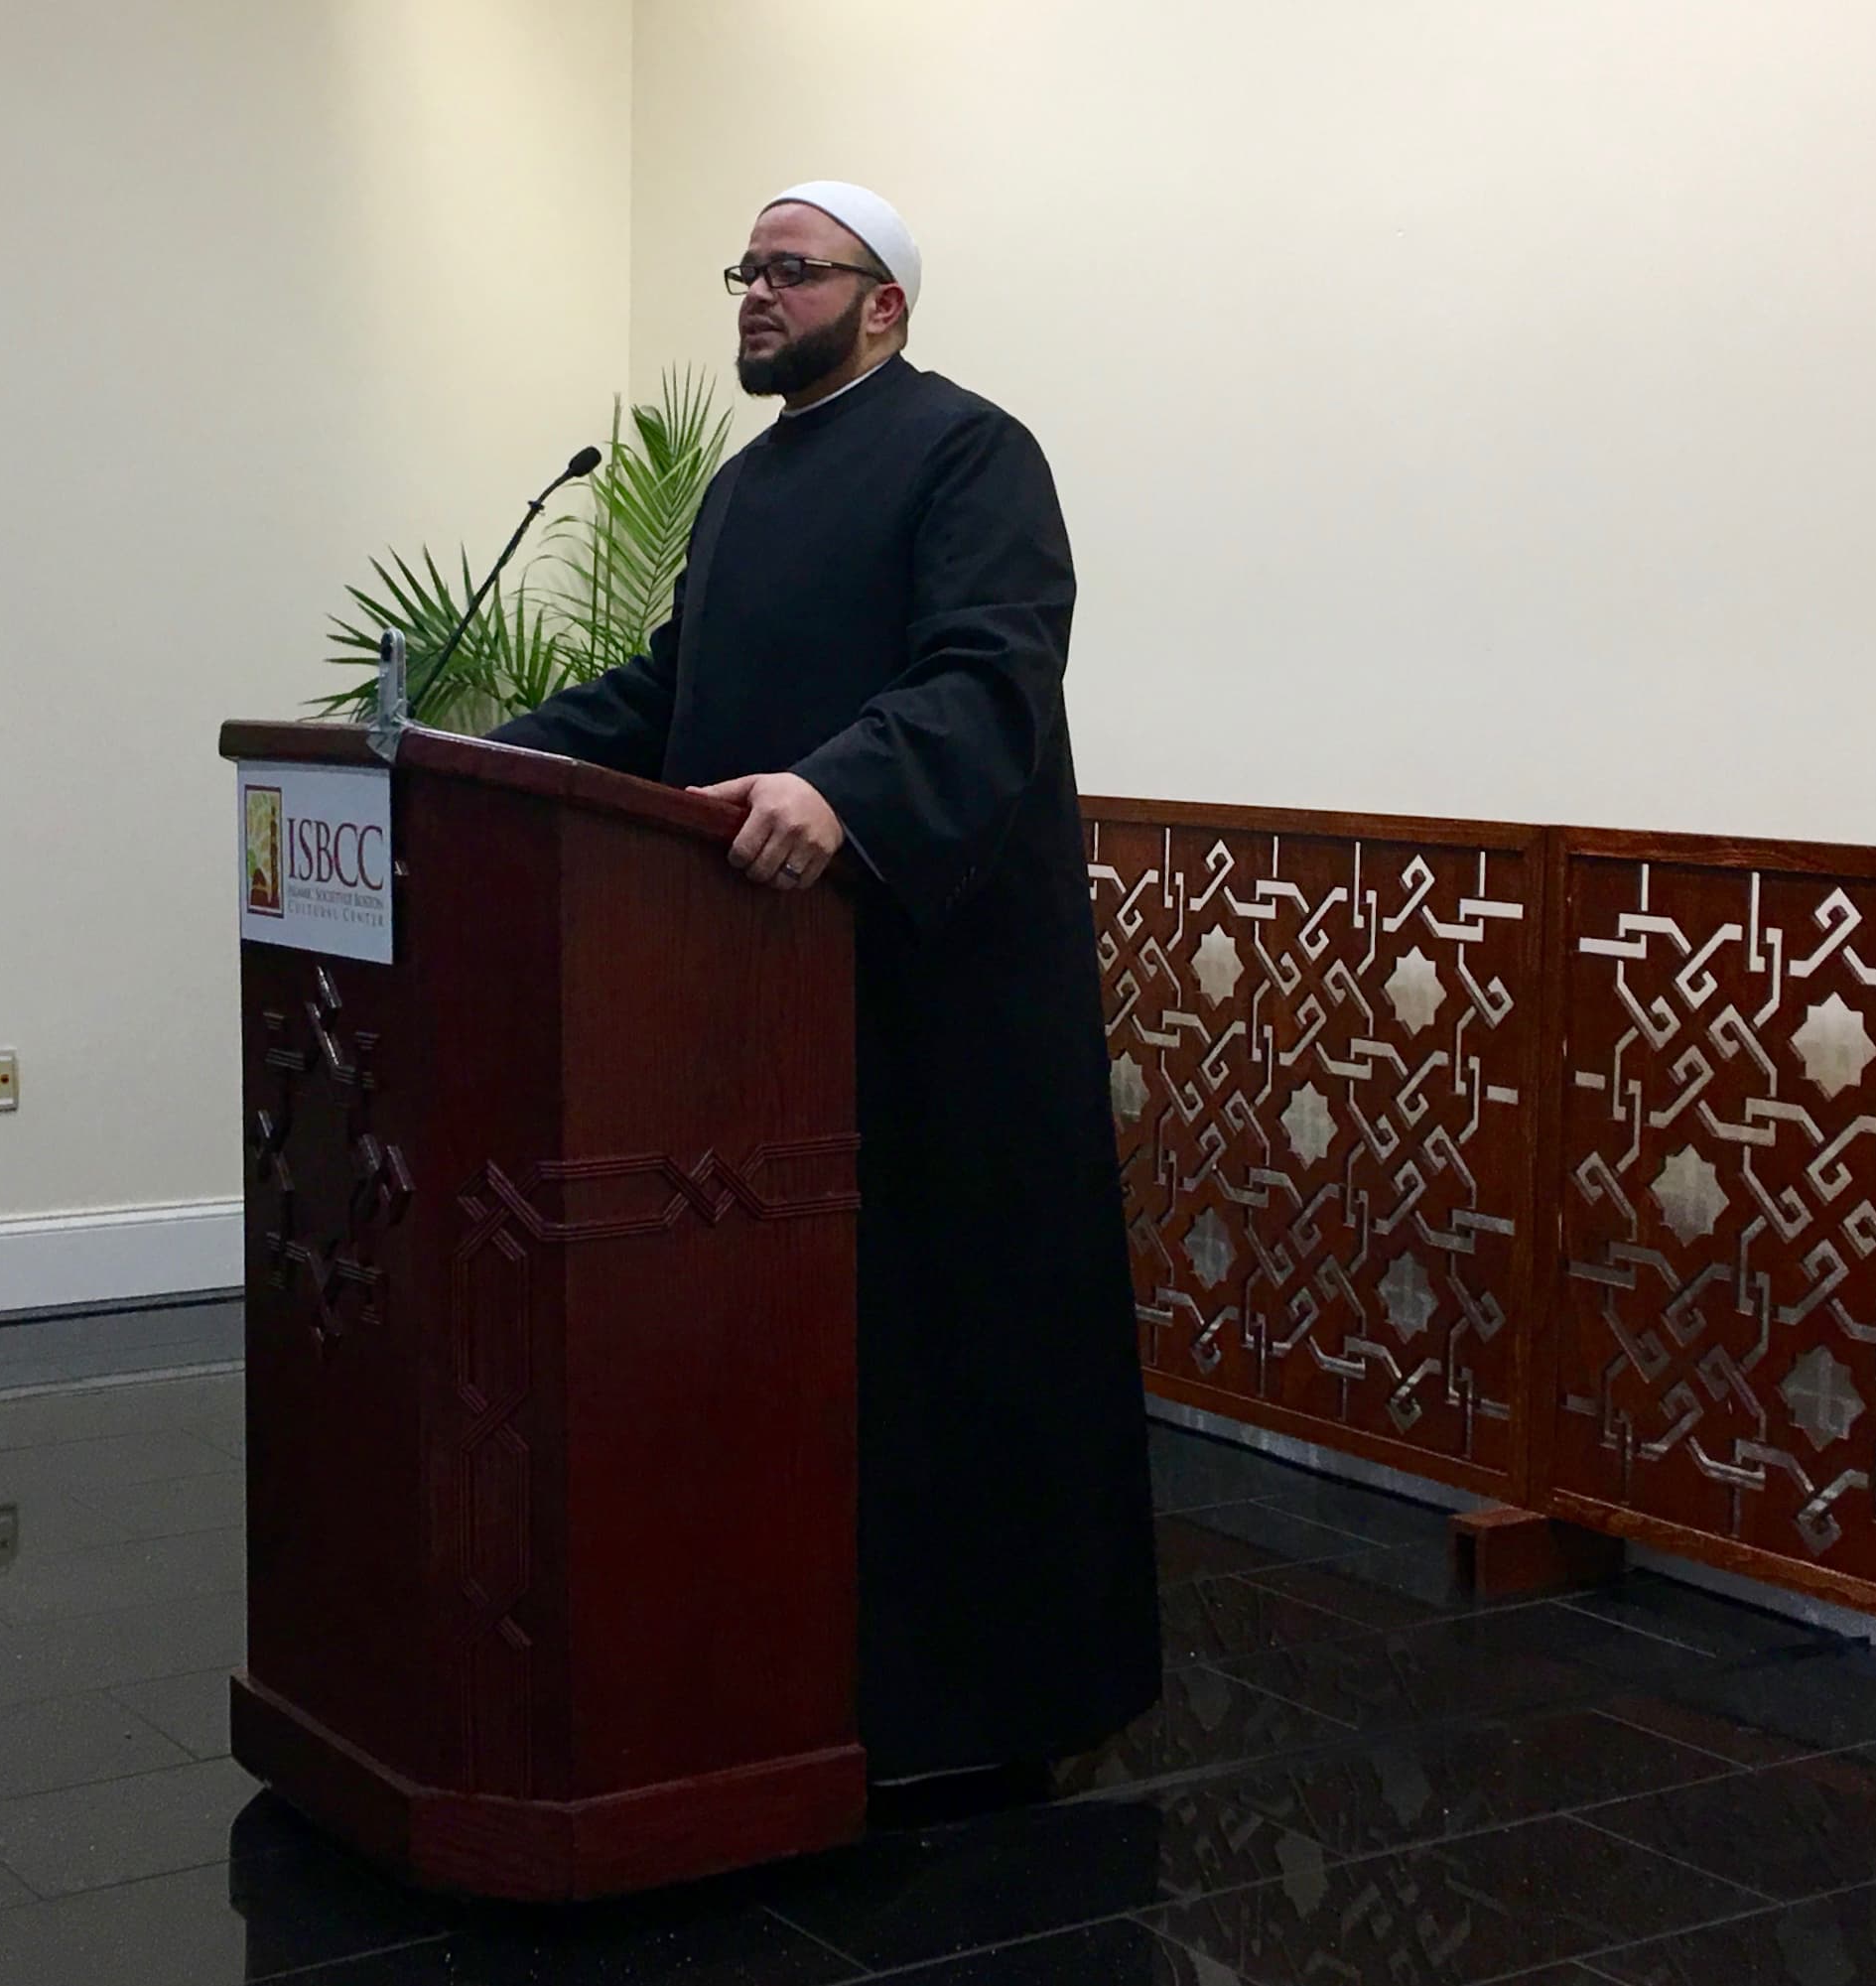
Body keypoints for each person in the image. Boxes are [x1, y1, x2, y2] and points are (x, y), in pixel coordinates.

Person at [492, 182, 1161, 1790]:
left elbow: (989, 672)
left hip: (940, 995)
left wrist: (841, 786)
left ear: (884, 304)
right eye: (746, 268)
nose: (754, 291)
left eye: (791, 271)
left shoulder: (967, 452)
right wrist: (488, 759)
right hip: (762, 988)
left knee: (952, 1349)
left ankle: (995, 1715)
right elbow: (668, 692)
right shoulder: (739, 490)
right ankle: (806, 1678)